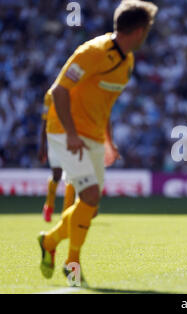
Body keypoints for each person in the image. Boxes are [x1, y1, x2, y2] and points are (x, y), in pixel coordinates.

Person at [37, 0, 158, 286]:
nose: (147, 35)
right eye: (148, 30)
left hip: (91, 134)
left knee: (91, 205)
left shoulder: (126, 61)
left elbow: (104, 103)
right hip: (66, 130)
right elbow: (58, 92)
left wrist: (109, 142)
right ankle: (72, 264)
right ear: (139, 31)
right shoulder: (92, 52)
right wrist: (70, 133)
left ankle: (50, 240)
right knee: (89, 196)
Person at [38, 93, 76, 223]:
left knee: (72, 175)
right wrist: (42, 145)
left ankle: (66, 214)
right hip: (53, 137)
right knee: (57, 175)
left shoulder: (76, 92)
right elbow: (45, 119)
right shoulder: (50, 94)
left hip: (70, 136)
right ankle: (49, 206)